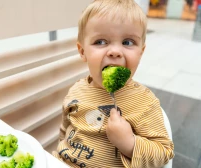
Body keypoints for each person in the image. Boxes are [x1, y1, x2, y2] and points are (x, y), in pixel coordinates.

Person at [52, 0, 174, 167]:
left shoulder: (144, 103)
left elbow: (164, 153)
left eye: (128, 42)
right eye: (101, 42)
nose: (115, 51)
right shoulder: (76, 90)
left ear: (141, 52)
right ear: (82, 51)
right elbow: (64, 130)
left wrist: (129, 144)